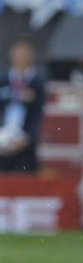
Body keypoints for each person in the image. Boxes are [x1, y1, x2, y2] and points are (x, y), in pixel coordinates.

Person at [0, 39, 46, 173]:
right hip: (3, 139)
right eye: (18, 55)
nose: (21, 59)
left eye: (24, 55)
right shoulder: (3, 81)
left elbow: (39, 115)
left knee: (25, 180)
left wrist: (28, 138)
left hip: (26, 143)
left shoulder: (38, 83)